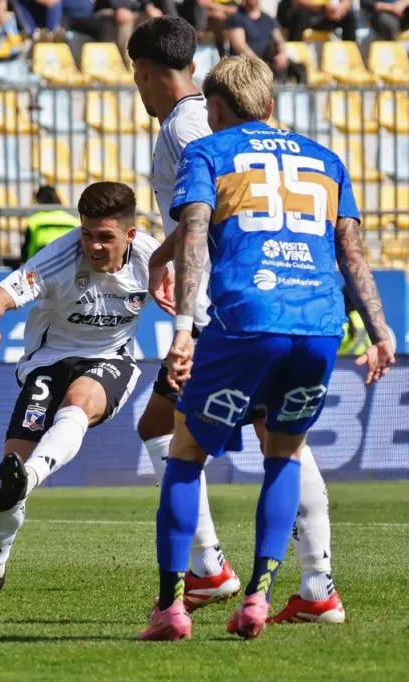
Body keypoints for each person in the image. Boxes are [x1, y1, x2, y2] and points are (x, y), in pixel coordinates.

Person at [139, 56, 395, 641]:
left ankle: (172, 607)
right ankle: (260, 596)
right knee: (283, 453)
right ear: (272, 107)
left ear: (216, 110)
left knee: (183, 455)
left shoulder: (209, 152)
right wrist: (382, 333)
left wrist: (183, 326)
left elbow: (196, 236)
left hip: (246, 319)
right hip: (322, 324)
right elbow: (351, 253)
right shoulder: (327, 161)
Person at [0, 182, 163, 594]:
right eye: (88, 234)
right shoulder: (59, 256)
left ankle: (29, 477)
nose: (94, 246)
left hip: (111, 359)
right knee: (7, 477)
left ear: (130, 234)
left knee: (80, 401)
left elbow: (197, 295)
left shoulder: (153, 259)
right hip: (48, 361)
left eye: (106, 237)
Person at [225, 0, 305, 83]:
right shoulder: (236, 18)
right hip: (243, 69)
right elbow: (240, 46)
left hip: (266, 68)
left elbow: (279, 40)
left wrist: (282, 54)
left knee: (299, 70)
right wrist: (259, 65)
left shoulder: (268, 19)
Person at [20, 186, 81, 265]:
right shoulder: (73, 220)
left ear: (39, 201)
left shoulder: (34, 220)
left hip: (40, 264)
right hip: (68, 263)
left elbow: (27, 248)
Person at [276, 0, 356, 42]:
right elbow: (298, 2)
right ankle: (294, 58)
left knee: (349, 17)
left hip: (325, 14)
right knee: (300, 15)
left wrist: (340, 9)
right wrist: (324, 7)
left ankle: (351, 57)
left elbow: (347, 1)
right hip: (302, 12)